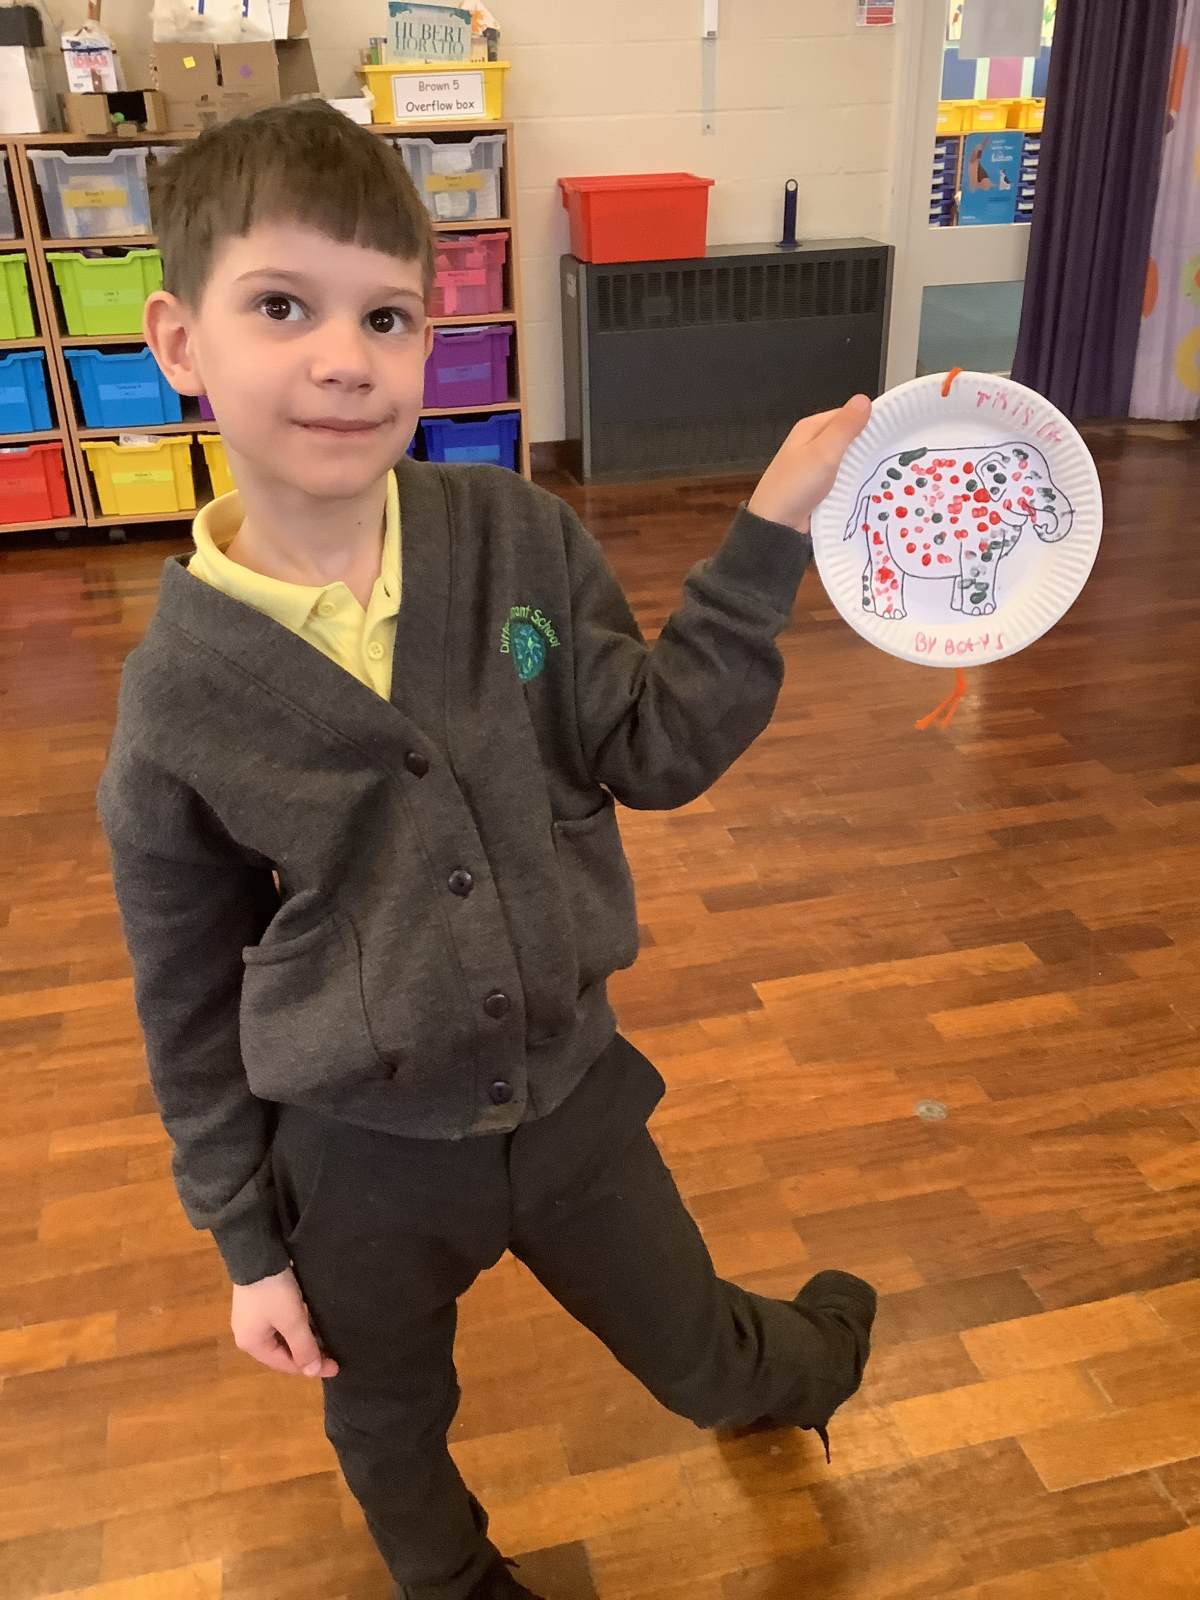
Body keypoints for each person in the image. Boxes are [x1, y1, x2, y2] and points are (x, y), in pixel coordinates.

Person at [97, 101, 878, 1600]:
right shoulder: (178, 698)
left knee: (706, 1360)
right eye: (283, 307)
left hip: (573, 1103)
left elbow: (654, 745)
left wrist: (771, 528)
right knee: (388, 1422)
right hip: (359, 1159)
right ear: (180, 341)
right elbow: (185, 994)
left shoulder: (517, 536)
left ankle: (815, 1361)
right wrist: (247, 1246)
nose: (344, 358)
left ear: (428, 339)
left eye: (386, 316)